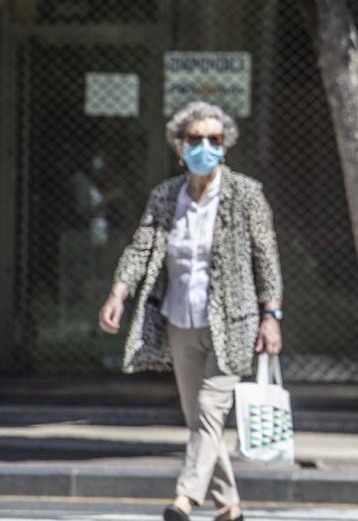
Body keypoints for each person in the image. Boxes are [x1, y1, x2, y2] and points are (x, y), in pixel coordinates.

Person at [98, 101, 283, 521]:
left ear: (225, 146)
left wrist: (272, 315)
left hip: (232, 324)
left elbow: (266, 258)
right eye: (195, 139)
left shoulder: (245, 194)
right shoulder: (165, 196)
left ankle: (185, 498)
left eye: (214, 140)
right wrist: (118, 293)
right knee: (199, 420)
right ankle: (229, 504)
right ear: (179, 147)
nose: (205, 146)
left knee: (208, 413)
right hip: (181, 322)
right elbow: (141, 247)